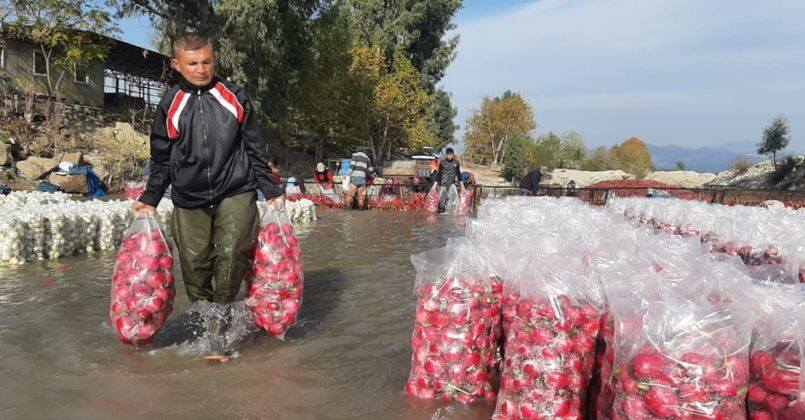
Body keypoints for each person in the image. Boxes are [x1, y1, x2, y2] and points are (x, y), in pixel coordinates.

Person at [132, 35, 282, 305]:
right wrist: (151, 197)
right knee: (194, 262)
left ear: (214, 61)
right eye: (192, 63)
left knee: (233, 252)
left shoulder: (233, 96)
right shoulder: (170, 103)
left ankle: (222, 315)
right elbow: (162, 157)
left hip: (235, 189)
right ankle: (204, 316)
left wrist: (270, 189)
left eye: (206, 62)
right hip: (189, 195)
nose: (200, 69)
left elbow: (254, 146)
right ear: (177, 65)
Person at [434, 148, 461, 212]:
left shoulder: (456, 163)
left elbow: (458, 174)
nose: (450, 156)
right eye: (448, 154)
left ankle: (450, 211)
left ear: (453, 154)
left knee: (452, 199)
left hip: (451, 184)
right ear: (446, 155)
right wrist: (434, 185)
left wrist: (462, 185)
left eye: (451, 154)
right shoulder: (442, 162)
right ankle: (440, 211)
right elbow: (439, 174)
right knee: (441, 199)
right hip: (443, 184)